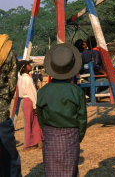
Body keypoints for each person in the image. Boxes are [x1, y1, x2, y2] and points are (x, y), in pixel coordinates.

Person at [36, 43, 87, 176]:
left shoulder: (43, 91)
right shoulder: (76, 91)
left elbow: (40, 116)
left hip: (50, 135)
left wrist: (47, 131)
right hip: (71, 135)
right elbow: (82, 118)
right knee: (70, 170)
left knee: (51, 170)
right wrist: (78, 136)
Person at [0, 34, 22, 176]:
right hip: (1, 111)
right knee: (9, 158)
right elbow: (12, 83)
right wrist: (5, 100)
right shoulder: (7, 48)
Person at [18, 61, 43, 151]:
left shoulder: (21, 78)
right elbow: (31, 93)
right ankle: (28, 145)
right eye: (28, 65)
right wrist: (35, 105)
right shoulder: (28, 79)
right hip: (30, 100)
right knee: (31, 122)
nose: (30, 66)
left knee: (34, 121)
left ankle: (38, 141)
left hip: (25, 101)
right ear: (24, 68)